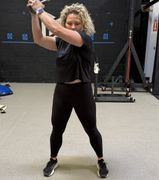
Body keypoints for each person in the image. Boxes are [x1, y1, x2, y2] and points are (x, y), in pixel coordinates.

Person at [27, 0, 108, 178]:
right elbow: (39, 39)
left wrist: (39, 9)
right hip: (62, 91)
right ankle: (53, 159)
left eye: (76, 23)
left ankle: (101, 160)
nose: (72, 26)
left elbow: (55, 29)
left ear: (83, 24)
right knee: (57, 129)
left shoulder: (85, 39)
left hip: (82, 91)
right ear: (65, 22)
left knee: (91, 129)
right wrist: (34, 16)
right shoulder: (61, 42)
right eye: (69, 23)